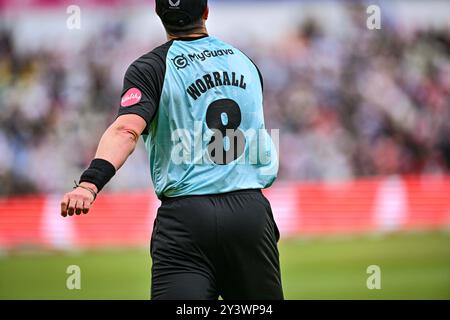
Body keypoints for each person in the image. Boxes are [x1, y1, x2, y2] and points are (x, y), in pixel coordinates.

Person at [60, 0, 283, 300]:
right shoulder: (246, 62)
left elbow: (126, 130)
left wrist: (90, 183)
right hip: (249, 216)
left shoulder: (150, 68)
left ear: (158, 14)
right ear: (205, 12)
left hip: (187, 219)